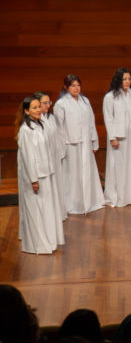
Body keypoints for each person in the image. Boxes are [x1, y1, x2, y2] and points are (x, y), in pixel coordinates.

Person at [16, 96, 65, 254]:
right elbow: (28, 157)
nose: (38, 110)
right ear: (26, 111)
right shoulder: (25, 130)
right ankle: (38, 245)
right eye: (34, 108)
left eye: (39, 107)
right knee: (36, 210)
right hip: (36, 176)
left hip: (47, 172)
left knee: (46, 209)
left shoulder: (40, 125)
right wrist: (33, 179)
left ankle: (49, 241)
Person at [53, 74, 105, 214]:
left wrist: (94, 142)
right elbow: (59, 128)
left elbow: (91, 122)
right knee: (73, 174)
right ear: (66, 87)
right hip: (71, 144)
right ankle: (73, 204)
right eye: (73, 86)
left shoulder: (85, 101)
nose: (76, 88)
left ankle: (90, 201)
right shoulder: (61, 104)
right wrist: (61, 147)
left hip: (85, 142)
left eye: (78, 85)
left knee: (87, 172)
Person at [103, 68, 131, 207]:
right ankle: (118, 196)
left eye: (129, 79)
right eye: (124, 79)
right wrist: (112, 137)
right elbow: (108, 118)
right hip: (119, 137)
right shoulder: (110, 97)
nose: (127, 81)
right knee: (119, 166)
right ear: (118, 80)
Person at [33, 91, 67, 222]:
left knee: (56, 186)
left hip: (54, 157)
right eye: (44, 103)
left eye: (49, 103)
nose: (47, 105)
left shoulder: (51, 118)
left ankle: (57, 213)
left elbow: (57, 136)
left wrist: (60, 154)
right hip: (44, 160)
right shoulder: (36, 121)